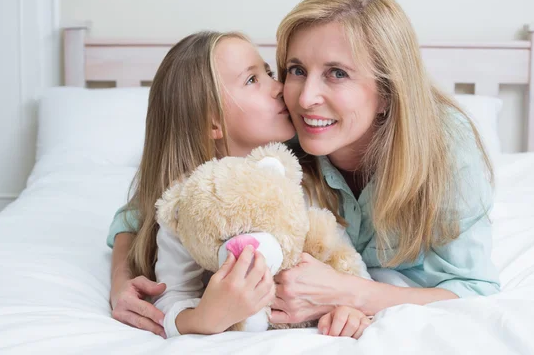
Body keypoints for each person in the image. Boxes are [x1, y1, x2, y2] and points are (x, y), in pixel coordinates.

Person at [107, 30, 371, 339]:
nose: (280, 88)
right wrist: (202, 319)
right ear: (212, 122)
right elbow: (171, 290)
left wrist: (348, 307)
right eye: (252, 80)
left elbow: (341, 260)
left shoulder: (304, 175)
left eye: (269, 72)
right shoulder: (192, 203)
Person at [268, 0, 501, 325]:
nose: (305, 99)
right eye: (297, 70)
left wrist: (350, 293)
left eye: (337, 74)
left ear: (388, 94)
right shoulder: (276, 145)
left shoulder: (447, 148)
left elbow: (475, 291)